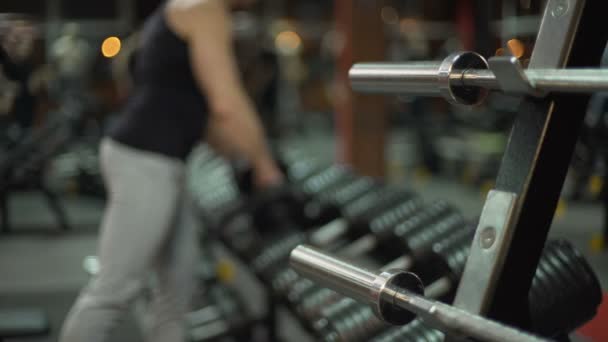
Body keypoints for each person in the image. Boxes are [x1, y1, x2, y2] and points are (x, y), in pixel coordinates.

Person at [59, 0, 283, 341]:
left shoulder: (181, 10)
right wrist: (265, 166)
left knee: (177, 288)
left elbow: (194, 107)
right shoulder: (205, 10)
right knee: (114, 290)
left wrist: (239, 153)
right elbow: (226, 102)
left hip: (163, 160)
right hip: (145, 159)